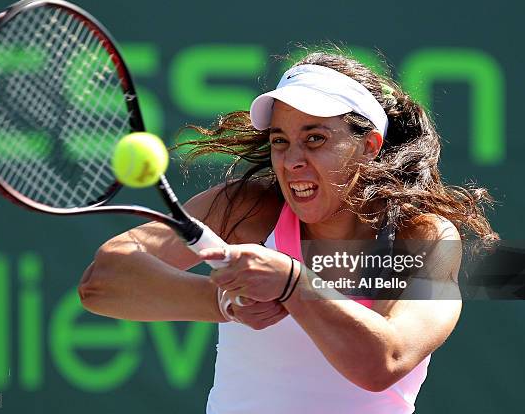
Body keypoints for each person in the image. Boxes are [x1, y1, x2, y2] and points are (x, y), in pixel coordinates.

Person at [78, 49, 498, 414]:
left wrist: (294, 283)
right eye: (280, 141)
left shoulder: (421, 237)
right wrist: (222, 301)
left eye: (315, 139)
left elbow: (384, 362)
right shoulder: (245, 209)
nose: (291, 160)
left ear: (369, 145)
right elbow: (101, 283)